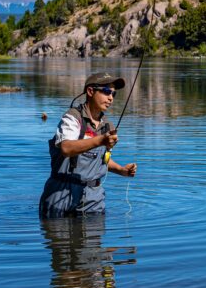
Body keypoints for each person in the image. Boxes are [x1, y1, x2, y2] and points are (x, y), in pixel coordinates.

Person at [39, 72, 138, 217]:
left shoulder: (108, 126)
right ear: (90, 91)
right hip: (60, 192)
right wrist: (101, 140)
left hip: (93, 198)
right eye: (106, 91)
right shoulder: (72, 117)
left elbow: (101, 159)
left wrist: (121, 170)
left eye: (113, 94)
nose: (111, 98)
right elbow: (66, 148)